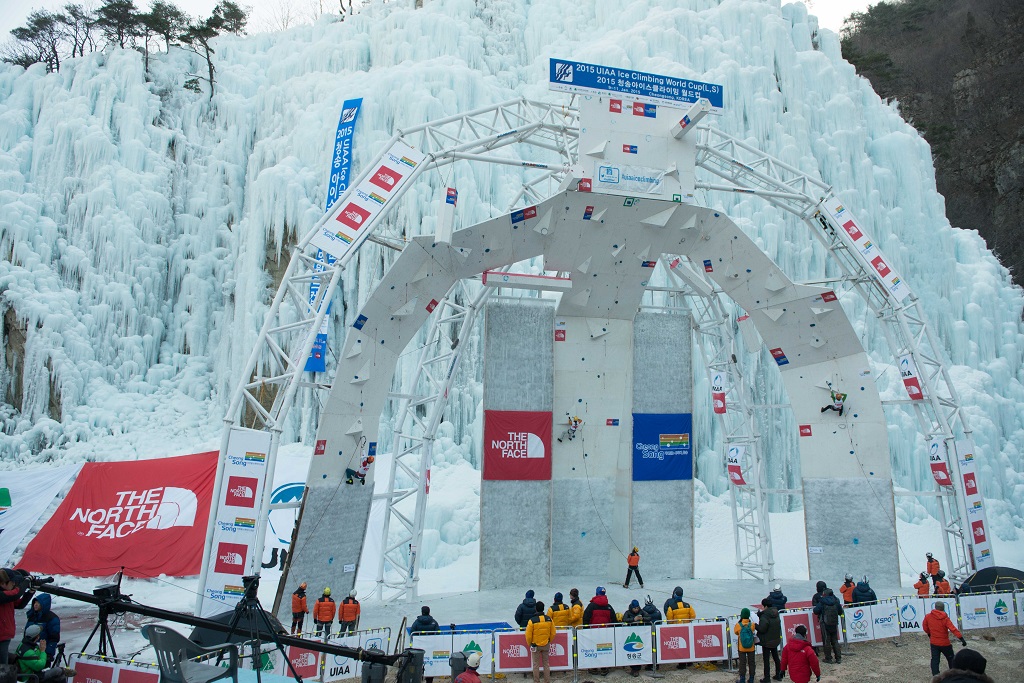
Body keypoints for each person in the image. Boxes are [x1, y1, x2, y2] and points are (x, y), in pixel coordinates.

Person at [922, 601, 965, 677]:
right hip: (945, 643)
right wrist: (961, 638)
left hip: (934, 642)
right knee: (951, 658)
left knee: (935, 660)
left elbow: (925, 627)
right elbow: (953, 629)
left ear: (935, 607)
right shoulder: (945, 618)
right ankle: (954, 674)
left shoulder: (928, 616)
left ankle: (936, 676)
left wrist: (929, 633)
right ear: (943, 608)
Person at [1, 568, 33, 665]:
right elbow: (16, 595)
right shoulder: (4, 595)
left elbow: (19, 604)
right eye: (12, 582)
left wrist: (31, 591)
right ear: (3, 583)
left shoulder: (7, 595)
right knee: (2, 668)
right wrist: (26, 581)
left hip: (4, 637)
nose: (14, 585)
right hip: (1, 637)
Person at [24, 593, 60, 664]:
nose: (36, 604)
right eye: (35, 602)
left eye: (38, 603)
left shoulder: (52, 618)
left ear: (44, 604)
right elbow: (26, 634)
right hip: (30, 650)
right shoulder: (32, 616)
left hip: (43, 651)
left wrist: (48, 654)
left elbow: (54, 638)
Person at [409, 606, 441, 683]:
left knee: (418, 663)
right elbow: (438, 633)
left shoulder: (416, 622)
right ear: (429, 612)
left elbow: (412, 633)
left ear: (422, 612)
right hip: (431, 647)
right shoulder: (433, 622)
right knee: (430, 664)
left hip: (419, 648)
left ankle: (418, 679)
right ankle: (429, 680)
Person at [812, 588, 843, 664]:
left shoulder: (822, 601)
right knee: (835, 640)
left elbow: (815, 611)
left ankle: (828, 658)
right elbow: (840, 612)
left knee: (826, 641)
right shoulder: (836, 601)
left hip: (825, 623)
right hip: (834, 622)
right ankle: (838, 658)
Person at [525, 602, 553, 683]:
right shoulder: (549, 619)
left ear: (535, 609)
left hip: (535, 645)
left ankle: (536, 681)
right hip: (545, 644)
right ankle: (547, 681)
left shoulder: (532, 621)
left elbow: (528, 635)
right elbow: (553, 632)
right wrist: (548, 640)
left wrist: (530, 643)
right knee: (546, 664)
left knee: (535, 665)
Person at [755, 598, 782, 683]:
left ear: (765, 606)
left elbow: (762, 629)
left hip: (767, 641)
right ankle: (778, 674)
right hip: (775, 639)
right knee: (776, 658)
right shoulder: (776, 613)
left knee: (766, 660)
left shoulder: (765, 616)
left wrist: (755, 625)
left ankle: (767, 678)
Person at [622, 600, 650, 677]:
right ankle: (633, 668)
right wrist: (633, 619)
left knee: (639, 650)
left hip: (640, 634)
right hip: (630, 634)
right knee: (631, 651)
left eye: (637, 608)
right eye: (635, 608)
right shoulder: (628, 612)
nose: (636, 609)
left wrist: (642, 619)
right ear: (632, 607)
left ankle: (636, 669)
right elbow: (624, 620)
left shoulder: (641, 611)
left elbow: (649, 617)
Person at [734, 607, 757, 683]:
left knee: (742, 663)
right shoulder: (752, 625)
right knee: (751, 662)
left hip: (741, 647)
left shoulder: (738, 625)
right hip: (751, 647)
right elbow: (753, 631)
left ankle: (742, 679)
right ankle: (751, 679)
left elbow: (736, 632)